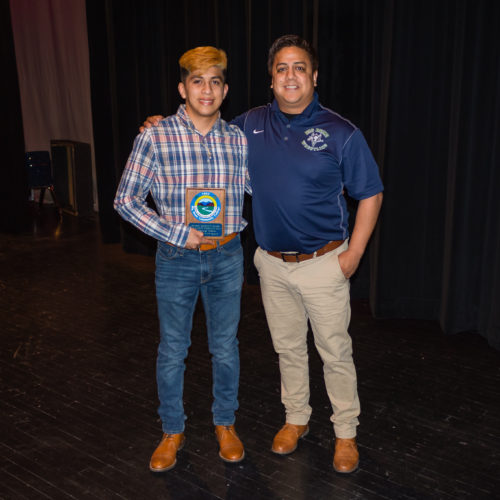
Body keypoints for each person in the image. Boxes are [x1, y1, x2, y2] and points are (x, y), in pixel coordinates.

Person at [143, 35, 383, 474]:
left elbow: (370, 194)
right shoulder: (247, 127)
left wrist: (355, 254)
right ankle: (296, 420)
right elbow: (205, 128)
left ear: (314, 76)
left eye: (299, 68)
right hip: (270, 265)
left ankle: (345, 432)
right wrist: (160, 124)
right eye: (281, 69)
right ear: (271, 80)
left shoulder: (341, 132)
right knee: (288, 349)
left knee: (334, 352)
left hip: (324, 263)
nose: (290, 76)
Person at [115, 46, 249, 472]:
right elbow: (125, 200)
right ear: (182, 88)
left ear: (225, 90)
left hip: (228, 255)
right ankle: (172, 429)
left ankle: (224, 423)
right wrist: (175, 233)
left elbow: (261, 191)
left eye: (214, 82)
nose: (205, 90)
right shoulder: (154, 136)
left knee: (225, 348)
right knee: (174, 349)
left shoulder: (238, 140)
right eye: (197, 81)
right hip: (176, 258)